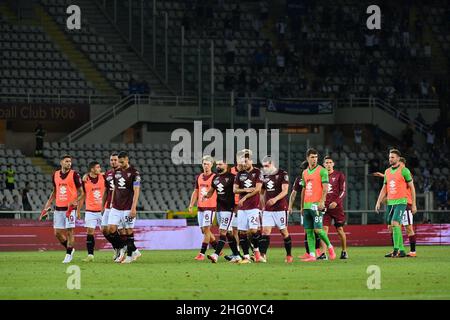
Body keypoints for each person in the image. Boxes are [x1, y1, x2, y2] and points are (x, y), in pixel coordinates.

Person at [41, 154, 83, 264]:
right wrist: (48, 203)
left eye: (70, 161)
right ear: (61, 162)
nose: (69, 163)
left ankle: (68, 254)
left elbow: (82, 193)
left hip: (70, 209)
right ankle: (70, 248)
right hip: (58, 208)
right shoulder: (55, 175)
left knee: (69, 232)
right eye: (66, 161)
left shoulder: (75, 175)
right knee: (57, 233)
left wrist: (76, 201)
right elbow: (55, 191)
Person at [375, 149, 417, 258]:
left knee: (395, 223)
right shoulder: (387, 171)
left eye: (392, 157)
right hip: (390, 202)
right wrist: (378, 201)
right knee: (392, 226)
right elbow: (384, 188)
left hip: (401, 202)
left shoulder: (404, 171)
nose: (390, 159)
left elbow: (412, 188)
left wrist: (414, 204)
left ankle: (396, 250)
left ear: (398, 158)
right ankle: (401, 250)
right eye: (389, 157)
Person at [300, 148, 336, 262]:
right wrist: (302, 206)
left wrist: (322, 201)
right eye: (312, 157)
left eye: (316, 157)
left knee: (318, 230)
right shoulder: (304, 172)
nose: (314, 159)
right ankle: (312, 255)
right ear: (307, 158)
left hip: (317, 204)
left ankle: (330, 247)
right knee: (309, 231)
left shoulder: (322, 171)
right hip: (306, 206)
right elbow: (304, 190)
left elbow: (325, 188)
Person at [204, 159, 240, 263]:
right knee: (228, 233)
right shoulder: (215, 178)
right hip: (219, 208)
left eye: (220, 164)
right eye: (217, 164)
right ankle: (237, 256)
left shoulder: (232, 177)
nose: (218, 166)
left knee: (223, 231)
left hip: (229, 208)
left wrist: (237, 205)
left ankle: (215, 255)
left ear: (226, 165)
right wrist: (206, 195)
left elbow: (237, 191)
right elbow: (211, 192)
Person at [110, 151, 142, 264]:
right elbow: (115, 188)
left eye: (122, 162)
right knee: (111, 229)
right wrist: (111, 202)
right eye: (119, 161)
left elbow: (136, 191)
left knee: (128, 230)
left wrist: (134, 208)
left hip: (128, 206)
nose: (120, 164)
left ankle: (129, 256)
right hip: (116, 206)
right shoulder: (116, 172)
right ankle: (131, 249)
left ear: (127, 160)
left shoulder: (134, 173)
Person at [260, 156, 293, 263]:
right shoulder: (264, 175)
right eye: (263, 166)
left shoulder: (283, 174)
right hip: (268, 209)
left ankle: (289, 255)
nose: (265, 168)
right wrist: (262, 205)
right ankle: (263, 255)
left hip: (280, 208)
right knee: (265, 231)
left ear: (272, 163)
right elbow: (262, 192)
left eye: (267, 166)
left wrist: (275, 199)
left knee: (284, 232)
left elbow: (285, 191)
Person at [233, 149, 263, 264]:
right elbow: (235, 190)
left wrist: (245, 197)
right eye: (242, 161)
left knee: (254, 230)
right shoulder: (239, 174)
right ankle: (246, 256)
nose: (244, 164)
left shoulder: (257, 172)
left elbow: (258, 189)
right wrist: (245, 190)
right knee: (242, 232)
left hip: (253, 207)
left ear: (251, 161)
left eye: (246, 161)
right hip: (242, 208)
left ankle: (256, 252)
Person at [189, 156, 218, 261]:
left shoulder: (215, 177)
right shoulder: (199, 177)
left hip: (210, 207)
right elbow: (196, 191)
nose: (206, 166)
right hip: (200, 207)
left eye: (208, 164)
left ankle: (202, 254)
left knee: (206, 229)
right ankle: (217, 248)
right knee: (203, 230)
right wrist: (191, 204)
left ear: (211, 165)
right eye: (204, 163)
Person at [79, 161, 107, 262]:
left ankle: (118, 250)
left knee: (107, 232)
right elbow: (83, 196)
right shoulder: (85, 180)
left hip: (102, 211)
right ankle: (90, 255)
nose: (100, 169)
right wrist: (78, 210)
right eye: (98, 167)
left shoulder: (103, 177)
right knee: (90, 232)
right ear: (92, 169)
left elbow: (113, 172)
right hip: (90, 211)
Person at [323, 156, 348, 259]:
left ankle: (344, 251)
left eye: (330, 162)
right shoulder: (321, 175)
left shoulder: (339, 175)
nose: (328, 164)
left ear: (333, 164)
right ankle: (323, 254)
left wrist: (336, 202)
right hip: (324, 207)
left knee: (340, 229)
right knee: (323, 230)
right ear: (324, 165)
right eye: (326, 163)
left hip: (337, 208)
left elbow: (343, 191)